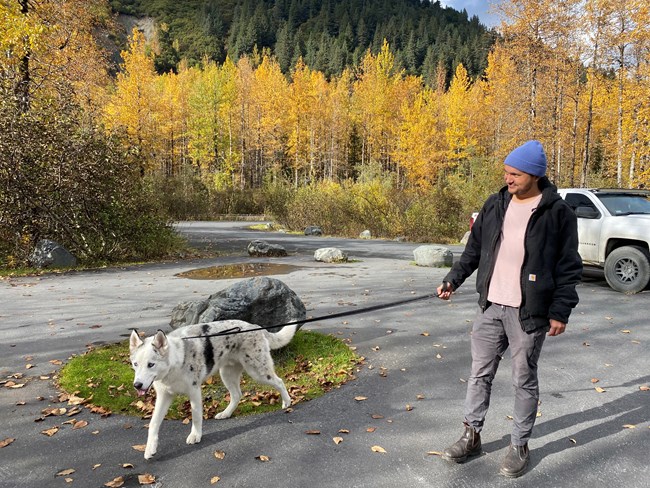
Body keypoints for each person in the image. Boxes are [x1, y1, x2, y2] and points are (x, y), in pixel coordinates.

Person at [436, 140, 582, 478]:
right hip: (490, 307)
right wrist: (452, 280)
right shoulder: (495, 203)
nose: (508, 179)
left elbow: (569, 267)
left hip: (528, 314)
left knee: (524, 379)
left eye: (515, 173)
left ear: (534, 174)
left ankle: (519, 445)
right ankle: (470, 435)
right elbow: (473, 250)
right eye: (506, 172)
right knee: (479, 374)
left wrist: (560, 311)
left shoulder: (558, 214)